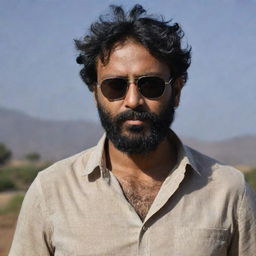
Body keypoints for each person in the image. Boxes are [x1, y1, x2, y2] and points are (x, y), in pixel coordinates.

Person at [9, 4, 256, 256]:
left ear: (177, 91)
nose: (133, 100)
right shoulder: (51, 191)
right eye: (115, 86)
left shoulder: (228, 191)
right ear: (96, 93)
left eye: (150, 85)